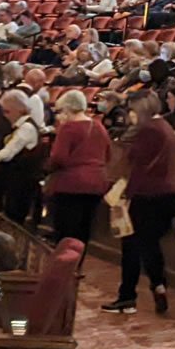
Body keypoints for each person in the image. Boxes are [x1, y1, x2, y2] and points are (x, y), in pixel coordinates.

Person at [106, 92, 175, 316]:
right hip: (167, 193)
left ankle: (127, 297)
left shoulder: (148, 129)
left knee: (131, 244)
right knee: (149, 244)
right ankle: (157, 284)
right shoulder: (165, 126)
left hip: (148, 194)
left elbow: (138, 164)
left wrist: (126, 195)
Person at [41, 89, 113, 245]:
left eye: (60, 111)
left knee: (66, 231)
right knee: (84, 231)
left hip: (71, 185)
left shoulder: (69, 128)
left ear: (67, 109)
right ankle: (77, 264)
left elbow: (59, 158)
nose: (59, 116)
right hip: (97, 184)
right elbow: (108, 155)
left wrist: (45, 169)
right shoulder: (98, 126)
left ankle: (64, 267)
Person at [0, 89, 46, 227]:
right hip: (14, 184)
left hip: (22, 185)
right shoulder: (19, 127)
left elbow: (9, 152)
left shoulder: (27, 128)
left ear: (20, 110)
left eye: (7, 112)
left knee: (14, 222)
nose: (5, 116)